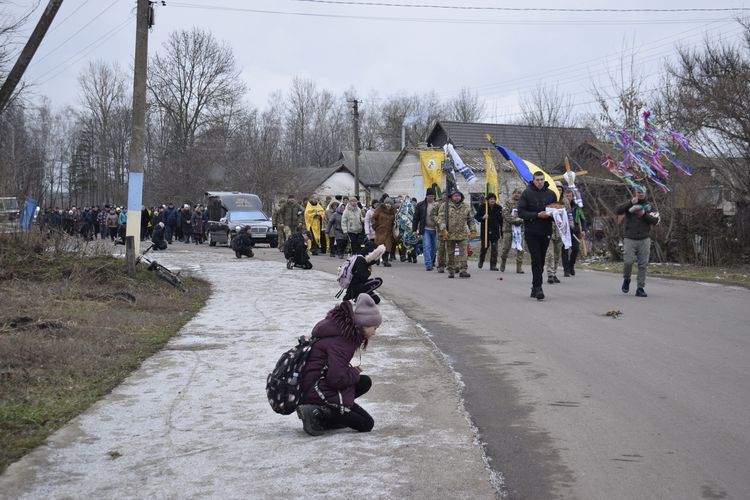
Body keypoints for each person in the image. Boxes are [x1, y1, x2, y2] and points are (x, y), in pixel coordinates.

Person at [297, 293, 382, 436]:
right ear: (364, 325)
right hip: (317, 390)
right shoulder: (344, 342)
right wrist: (353, 373)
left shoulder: (341, 333)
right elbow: (335, 380)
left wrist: (351, 372)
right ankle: (317, 413)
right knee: (366, 423)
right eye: (374, 328)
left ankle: (330, 414)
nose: (374, 333)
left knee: (364, 382)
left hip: (312, 384)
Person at [517, 171, 557, 300]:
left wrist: (552, 215)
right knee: (536, 259)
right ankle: (539, 288)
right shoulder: (527, 193)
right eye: (537, 180)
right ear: (533, 180)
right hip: (531, 231)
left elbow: (556, 212)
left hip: (545, 231)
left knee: (542, 259)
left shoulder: (551, 194)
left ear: (544, 180)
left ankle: (534, 287)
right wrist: (536, 215)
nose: (539, 182)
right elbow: (521, 212)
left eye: (541, 179)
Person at [616, 186, 659, 297]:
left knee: (643, 264)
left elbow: (655, 221)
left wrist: (644, 214)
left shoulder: (650, 206)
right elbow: (618, 210)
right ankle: (627, 279)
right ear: (635, 193)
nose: (641, 194)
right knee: (628, 262)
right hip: (630, 238)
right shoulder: (630, 203)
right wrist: (630, 203)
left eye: (642, 192)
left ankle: (640, 288)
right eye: (638, 192)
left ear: (645, 193)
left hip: (644, 238)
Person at [438, 190, 476, 278]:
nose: (457, 197)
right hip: (449, 234)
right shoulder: (445, 206)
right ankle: (451, 270)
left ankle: (463, 270)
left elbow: (470, 220)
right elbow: (441, 219)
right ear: (451, 196)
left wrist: (473, 230)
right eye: (455, 195)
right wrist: (443, 229)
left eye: (459, 195)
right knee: (450, 253)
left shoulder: (466, 206)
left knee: (463, 253)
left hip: (462, 234)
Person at [474, 193, 503, 271]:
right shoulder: (483, 207)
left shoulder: (499, 208)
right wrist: (483, 217)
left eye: (494, 199)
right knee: (484, 248)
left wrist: (502, 231)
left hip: (495, 231)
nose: (492, 200)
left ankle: (493, 265)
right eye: (491, 199)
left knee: (495, 249)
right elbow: (476, 217)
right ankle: (481, 260)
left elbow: (501, 220)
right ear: (487, 200)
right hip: (485, 231)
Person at [562, 189, 586, 277]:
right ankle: (566, 269)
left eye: (570, 196)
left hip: (575, 231)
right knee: (564, 250)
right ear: (564, 196)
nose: (568, 198)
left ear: (572, 197)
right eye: (566, 196)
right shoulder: (560, 206)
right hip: (564, 232)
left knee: (575, 249)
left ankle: (571, 265)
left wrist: (583, 230)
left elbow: (583, 220)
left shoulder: (577, 207)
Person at [500, 188, 525, 273]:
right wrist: (515, 220)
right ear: (513, 193)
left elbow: (526, 214)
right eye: (515, 193)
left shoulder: (523, 203)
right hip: (508, 229)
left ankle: (519, 267)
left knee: (520, 249)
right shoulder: (508, 202)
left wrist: (522, 220)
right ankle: (503, 262)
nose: (517, 194)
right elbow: (505, 213)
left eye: (519, 193)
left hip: (520, 230)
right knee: (505, 248)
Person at [546, 181, 566, 285]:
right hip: (549, 230)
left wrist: (569, 227)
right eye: (557, 189)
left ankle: (554, 273)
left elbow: (569, 215)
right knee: (550, 254)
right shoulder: (549, 200)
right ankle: (550, 273)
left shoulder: (564, 202)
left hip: (561, 231)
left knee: (557, 254)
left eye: (560, 189)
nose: (559, 190)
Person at [413, 187, 437, 271]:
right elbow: (415, 218)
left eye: (432, 196)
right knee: (426, 246)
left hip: (436, 229)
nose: (431, 197)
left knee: (435, 247)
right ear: (426, 196)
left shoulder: (437, 205)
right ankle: (428, 264)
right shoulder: (420, 205)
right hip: (426, 229)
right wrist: (414, 230)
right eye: (429, 196)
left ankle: (431, 260)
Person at [371, 197, 397, 267]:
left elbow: (395, 221)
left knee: (388, 246)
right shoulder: (380, 209)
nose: (388, 205)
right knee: (379, 245)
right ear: (384, 203)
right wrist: (375, 226)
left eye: (390, 204)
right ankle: (377, 258)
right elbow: (373, 218)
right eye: (387, 203)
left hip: (389, 231)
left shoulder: (393, 212)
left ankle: (385, 260)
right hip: (380, 231)